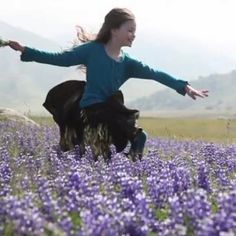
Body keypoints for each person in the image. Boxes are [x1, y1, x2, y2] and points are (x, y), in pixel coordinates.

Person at [7, 8, 209, 161]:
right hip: (89, 110)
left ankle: (133, 166)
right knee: (91, 154)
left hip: (111, 109)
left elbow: (156, 74)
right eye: (130, 30)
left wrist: (184, 87)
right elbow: (60, 59)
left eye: (135, 31)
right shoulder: (92, 50)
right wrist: (26, 50)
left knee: (137, 138)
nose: (133, 35)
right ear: (114, 29)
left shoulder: (128, 63)